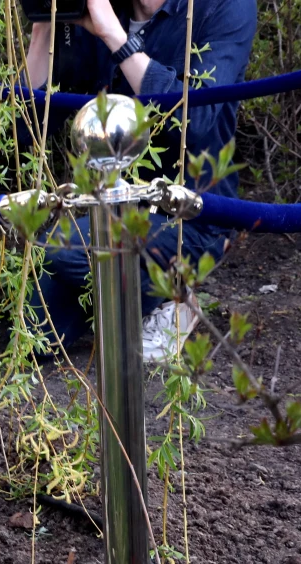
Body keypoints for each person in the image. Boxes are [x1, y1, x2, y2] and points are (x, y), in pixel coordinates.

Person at [23, 0, 257, 362]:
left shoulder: (224, 7)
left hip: (189, 215)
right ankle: (130, 299)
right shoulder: (102, 8)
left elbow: (197, 121)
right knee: (33, 334)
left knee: (61, 248)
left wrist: (115, 37)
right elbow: (29, 131)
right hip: (106, 209)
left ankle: (173, 296)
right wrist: (44, 26)